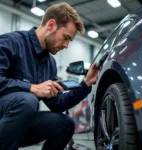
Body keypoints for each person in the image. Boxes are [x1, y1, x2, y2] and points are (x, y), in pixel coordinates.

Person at [0, 2, 100, 150]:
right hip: (6, 116)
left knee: (65, 124)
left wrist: (86, 83)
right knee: (28, 100)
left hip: (19, 123)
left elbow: (57, 103)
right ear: (51, 25)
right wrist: (32, 88)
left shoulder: (50, 63)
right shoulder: (11, 42)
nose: (66, 46)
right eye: (65, 38)